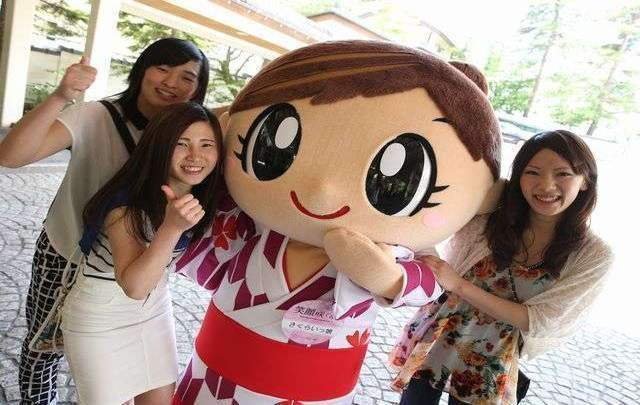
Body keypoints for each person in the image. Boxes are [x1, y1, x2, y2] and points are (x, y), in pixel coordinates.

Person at [172, 40, 505, 404]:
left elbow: (429, 281)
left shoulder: (395, 248)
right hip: (216, 376)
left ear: (484, 195)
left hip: (318, 388)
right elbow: (197, 241)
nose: (323, 192)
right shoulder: (253, 223)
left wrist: (388, 277)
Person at [0, 37, 210, 404]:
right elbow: (11, 156)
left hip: (139, 269)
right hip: (68, 254)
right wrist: (61, 96)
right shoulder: (95, 116)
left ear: (198, 88)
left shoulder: (189, 134)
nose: (172, 83)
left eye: (187, 77)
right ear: (141, 70)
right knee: (43, 347)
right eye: (162, 68)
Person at [389, 130, 614, 404]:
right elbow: (431, 215)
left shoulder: (593, 254)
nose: (546, 185)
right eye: (532, 172)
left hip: (490, 355)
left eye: (562, 174)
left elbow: (536, 319)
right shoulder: (489, 217)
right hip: (438, 333)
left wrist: (458, 284)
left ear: (585, 181)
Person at [60, 101, 222, 405]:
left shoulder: (204, 194)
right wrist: (171, 228)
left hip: (154, 311)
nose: (195, 156)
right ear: (160, 145)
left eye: (207, 144)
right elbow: (134, 286)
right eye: (181, 144)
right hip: (100, 319)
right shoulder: (126, 204)